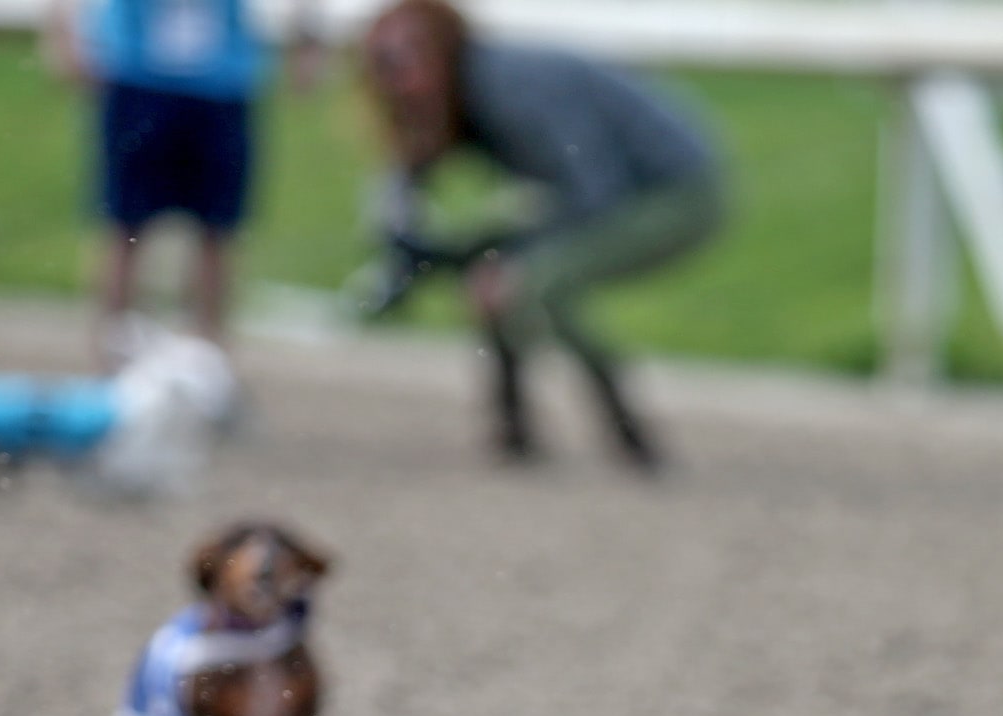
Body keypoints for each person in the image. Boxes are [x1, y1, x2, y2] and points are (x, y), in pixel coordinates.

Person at [360, 0, 723, 468]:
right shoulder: (457, 95)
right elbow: (406, 185)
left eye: (407, 59)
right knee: (497, 270)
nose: (397, 80)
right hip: (604, 193)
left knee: (531, 283)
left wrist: (507, 257)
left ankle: (627, 427)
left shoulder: (507, 87)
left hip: (677, 193)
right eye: (382, 64)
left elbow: (592, 191)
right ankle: (514, 434)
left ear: (441, 48)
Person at [44, 0, 321, 362]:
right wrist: (63, 34)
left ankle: (206, 354)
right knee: (124, 226)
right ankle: (113, 352)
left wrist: (307, 39)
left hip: (220, 81)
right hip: (138, 73)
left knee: (216, 229)